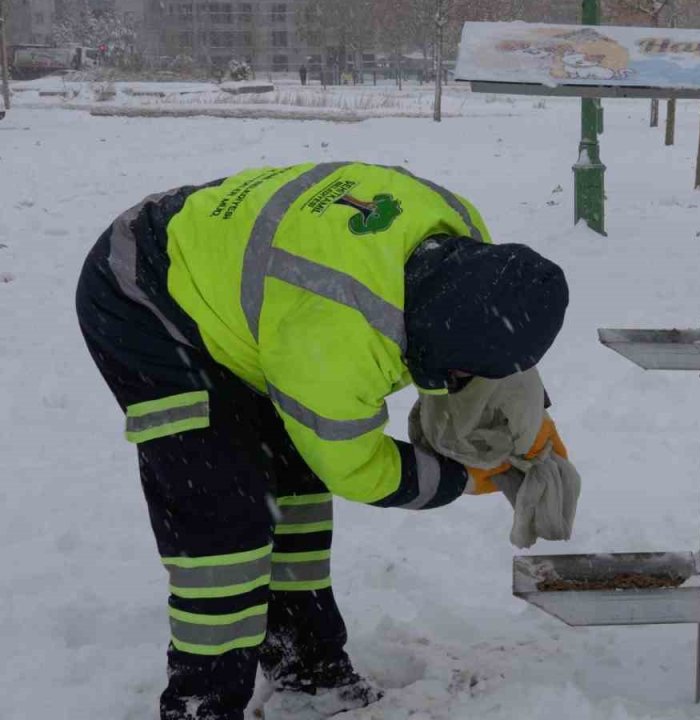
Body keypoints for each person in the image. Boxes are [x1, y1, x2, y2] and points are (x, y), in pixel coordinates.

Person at [75, 162, 570, 720]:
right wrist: (460, 479)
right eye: (455, 375)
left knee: (296, 489)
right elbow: (357, 468)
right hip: (141, 295)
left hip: (243, 282)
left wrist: (531, 415)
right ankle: (202, 704)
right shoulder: (337, 337)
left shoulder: (458, 228)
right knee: (223, 517)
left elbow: (494, 327)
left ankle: (309, 674)